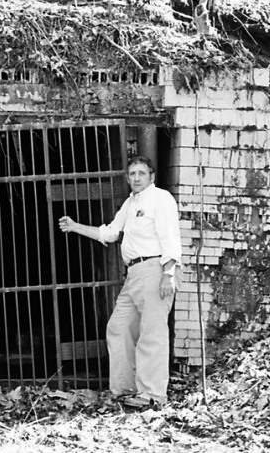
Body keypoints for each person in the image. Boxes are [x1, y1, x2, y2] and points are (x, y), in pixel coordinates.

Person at [58, 155, 182, 407]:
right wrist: (74, 226)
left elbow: (170, 237)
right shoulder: (130, 203)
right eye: (132, 174)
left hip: (155, 268)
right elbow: (111, 232)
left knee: (152, 333)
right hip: (134, 273)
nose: (136, 178)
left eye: (141, 173)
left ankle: (153, 396)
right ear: (127, 178)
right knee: (119, 327)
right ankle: (125, 391)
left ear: (152, 177)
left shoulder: (161, 199)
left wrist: (168, 274)